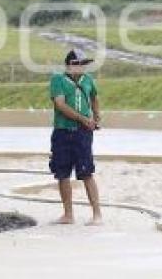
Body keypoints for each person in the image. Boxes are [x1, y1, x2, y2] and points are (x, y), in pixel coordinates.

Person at [49, 49, 103, 225]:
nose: (83, 67)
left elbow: (94, 97)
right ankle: (68, 214)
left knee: (87, 172)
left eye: (84, 64)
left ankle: (97, 214)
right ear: (71, 65)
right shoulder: (57, 80)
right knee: (62, 173)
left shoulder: (88, 80)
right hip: (63, 131)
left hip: (83, 134)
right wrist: (83, 119)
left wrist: (96, 117)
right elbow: (60, 104)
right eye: (80, 64)